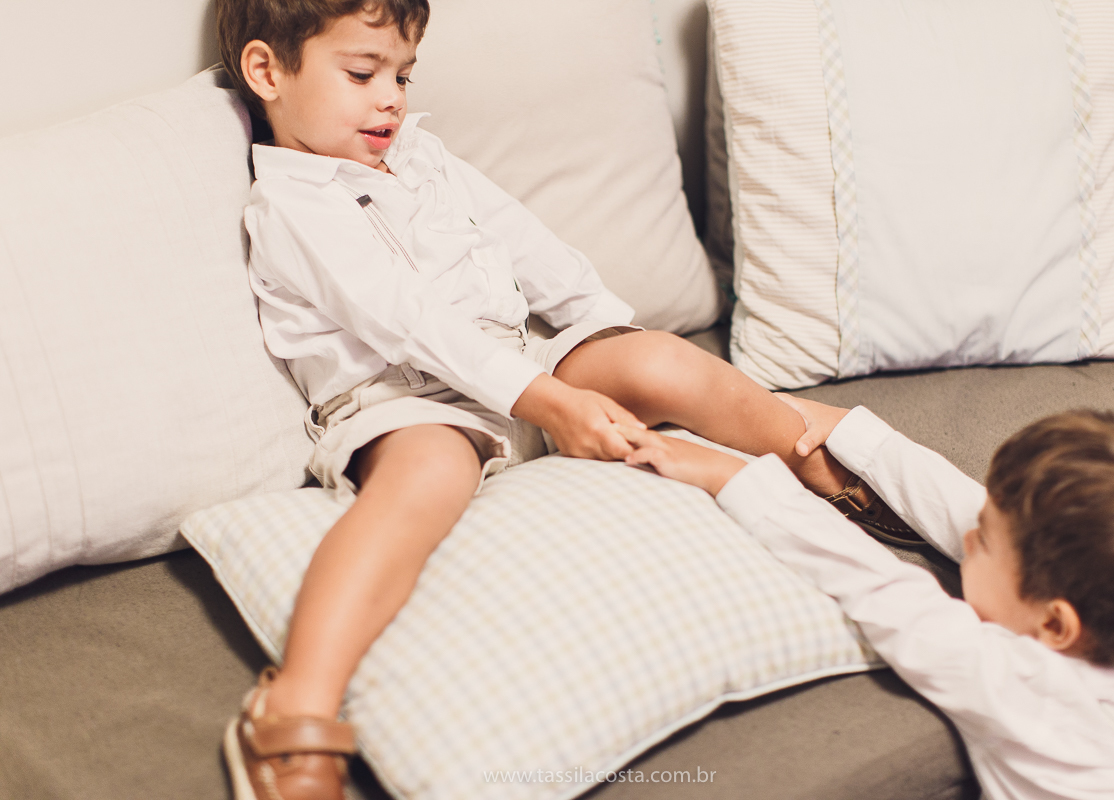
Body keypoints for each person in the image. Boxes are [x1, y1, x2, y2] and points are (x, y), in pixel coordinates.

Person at [214, 1, 918, 797]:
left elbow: (525, 242)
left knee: (659, 359)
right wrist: (551, 403)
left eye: (403, 75)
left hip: (520, 368)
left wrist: (609, 335)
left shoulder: (420, 156)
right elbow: (409, 324)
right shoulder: (292, 206)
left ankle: (808, 454)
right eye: (362, 73)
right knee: (428, 475)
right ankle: (297, 700)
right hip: (408, 399)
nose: (391, 98)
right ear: (267, 72)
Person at [619, 400, 1114, 799]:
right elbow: (968, 510)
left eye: (983, 542)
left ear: (1054, 625)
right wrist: (853, 433)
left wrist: (733, 476)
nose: (967, 537)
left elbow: (876, 583)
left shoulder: (1015, 684)